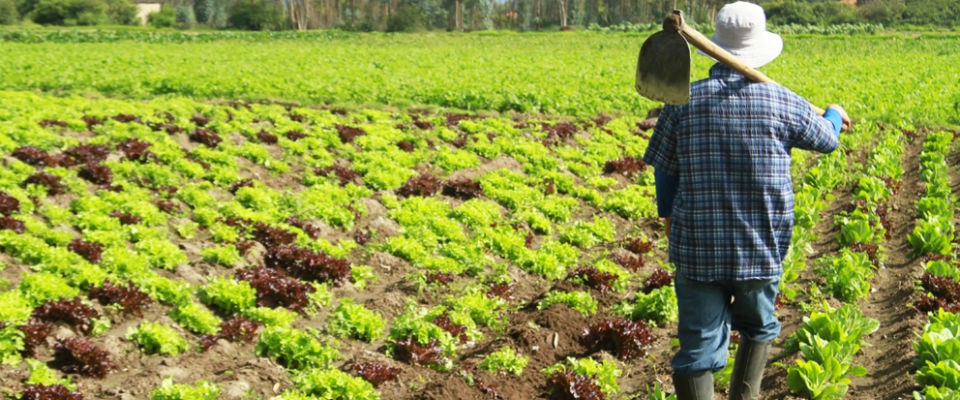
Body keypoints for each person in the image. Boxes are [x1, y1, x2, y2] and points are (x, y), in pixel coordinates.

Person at [641, 2, 851, 400]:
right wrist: (835, 113)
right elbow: (828, 138)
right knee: (758, 327)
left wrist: (668, 219)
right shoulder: (783, 102)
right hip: (760, 248)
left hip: (696, 249)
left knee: (697, 349)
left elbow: (664, 171)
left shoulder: (681, 103)